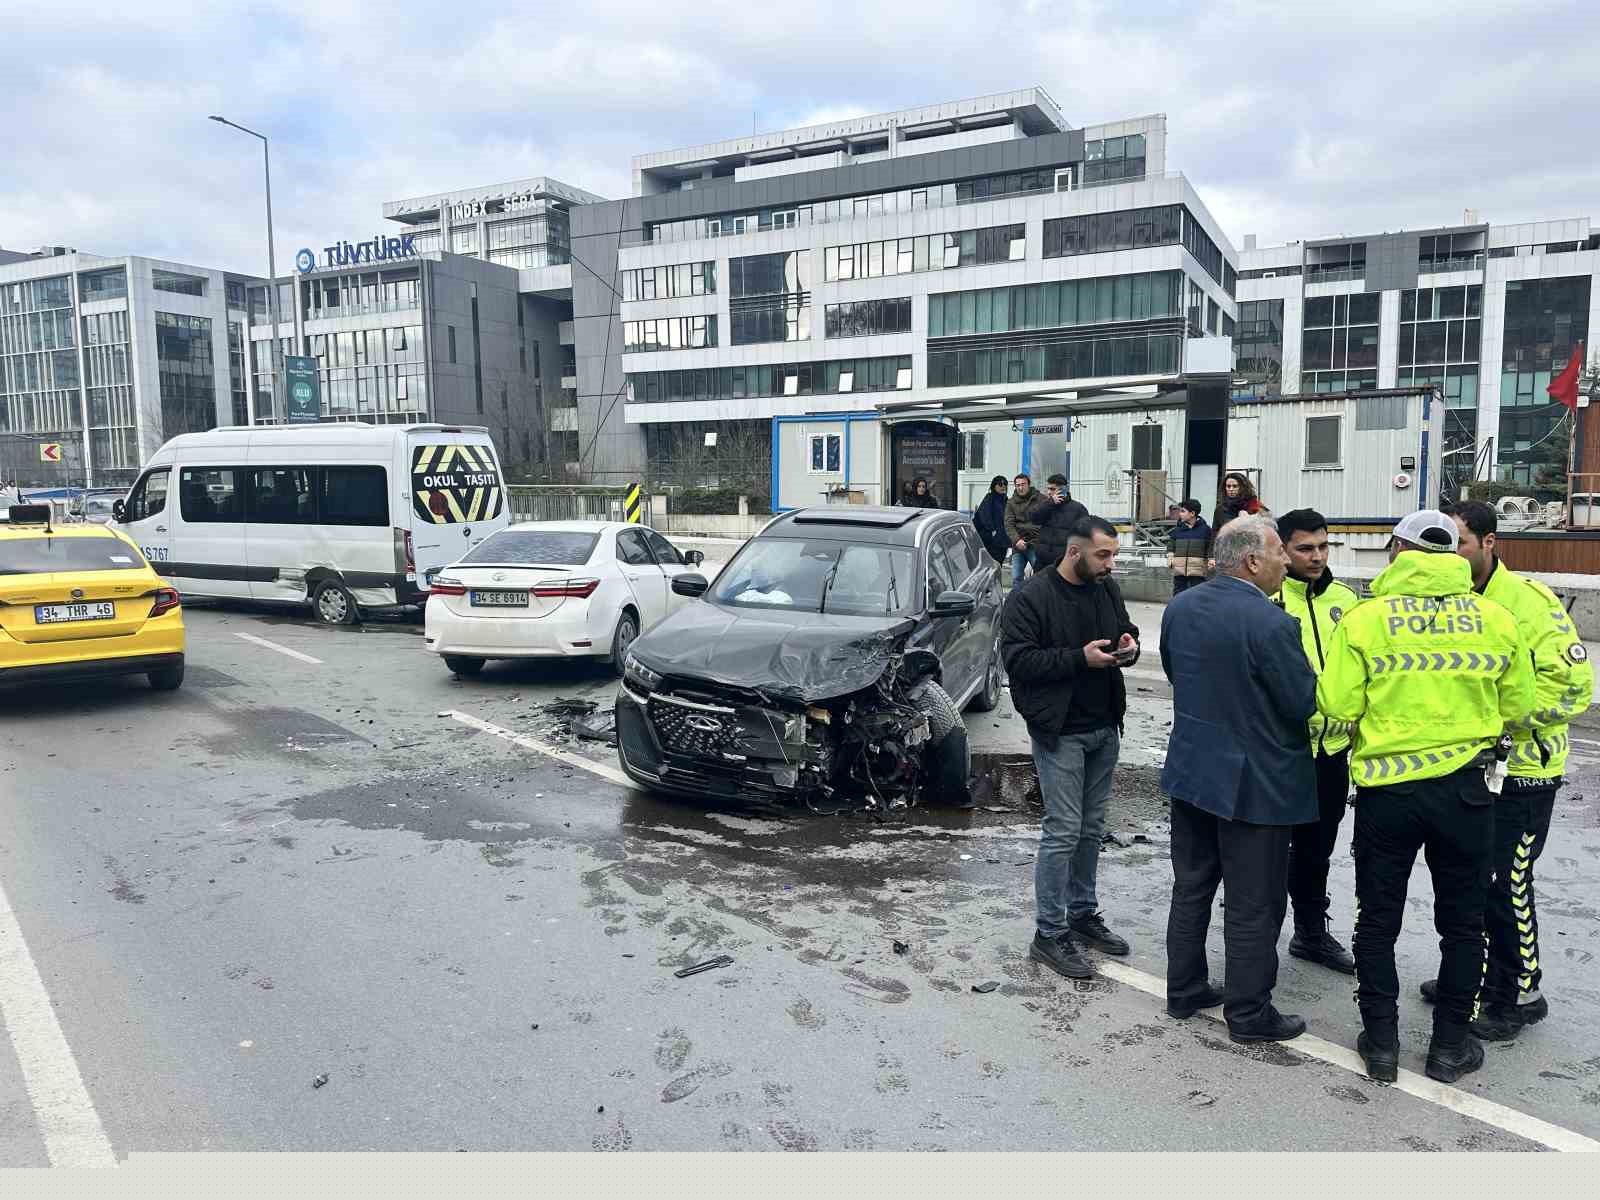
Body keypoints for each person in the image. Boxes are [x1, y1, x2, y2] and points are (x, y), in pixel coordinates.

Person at [1318, 509, 1534, 1084]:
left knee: (1377, 921)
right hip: (1466, 792)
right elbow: (1519, 706)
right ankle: (1449, 1048)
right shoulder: (1496, 619)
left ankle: (1382, 1042)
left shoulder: (1366, 620)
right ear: (1453, 556)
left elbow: (1337, 707)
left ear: (1397, 552)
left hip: (1388, 795)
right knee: (1464, 924)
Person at [1416, 501, 1593, 1042]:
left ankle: (1516, 996)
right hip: (1472, 767)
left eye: (1461, 543)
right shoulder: (1450, 601)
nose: (1450, 554)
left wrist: (1496, 718)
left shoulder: (1529, 604)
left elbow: (1573, 689)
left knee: (1505, 881)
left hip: (1524, 769)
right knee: (1472, 877)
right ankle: (1486, 975)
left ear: (1490, 543)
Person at [1159, 515, 1317, 1044]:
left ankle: (1184, 990)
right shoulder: (1270, 623)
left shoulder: (1180, 607)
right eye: (1279, 553)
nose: (1286, 562)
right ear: (1252, 561)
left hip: (1193, 771)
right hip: (1256, 783)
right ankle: (1249, 1014)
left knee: (1193, 888)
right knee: (1254, 903)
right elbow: (1300, 703)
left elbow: (1176, 673)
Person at [1001, 516, 1140, 980]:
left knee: (1090, 828)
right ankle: (1048, 933)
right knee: (1062, 829)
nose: (1110, 564)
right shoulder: (1030, 597)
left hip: (1104, 726)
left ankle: (1082, 914)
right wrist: (1079, 658)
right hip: (1060, 731)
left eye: (1114, 555)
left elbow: (1126, 627)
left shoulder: (1105, 589)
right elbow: (1018, 661)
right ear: (1075, 552)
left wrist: (1129, 644)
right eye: (1104, 555)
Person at [1269, 509, 1361, 975]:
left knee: (1316, 848)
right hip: (1283, 750)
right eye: (1305, 548)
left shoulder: (1346, 599)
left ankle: (1310, 932)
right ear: (1282, 549)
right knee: (1268, 850)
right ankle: (1259, 936)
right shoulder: (1268, 598)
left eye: (1324, 546)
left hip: (1332, 751)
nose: (1317, 556)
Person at [1031, 473, 1090, 571]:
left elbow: (1084, 535)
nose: (1049, 492)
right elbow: (1034, 518)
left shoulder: (1078, 509)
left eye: (1053, 489)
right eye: (1048, 489)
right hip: (1042, 562)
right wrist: (1049, 504)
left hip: (1064, 562)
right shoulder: (1046, 505)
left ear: (1063, 490)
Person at [1004, 473, 1045, 586]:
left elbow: (1048, 518)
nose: (1021, 488)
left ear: (1029, 484)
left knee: (1040, 576)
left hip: (1036, 544)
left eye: (1023, 484)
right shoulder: (1011, 502)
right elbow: (1008, 524)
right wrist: (1017, 540)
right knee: (1016, 577)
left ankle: (1038, 600)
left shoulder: (1040, 499)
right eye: (1018, 485)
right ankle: (1017, 602)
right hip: (1018, 544)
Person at [1166, 499, 1211, 596]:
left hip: (1198, 572)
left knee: (1197, 596)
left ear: (1192, 513)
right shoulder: (1178, 530)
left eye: (1183, 511)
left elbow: (1210, 547)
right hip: (1179, 571)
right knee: (1178, 596)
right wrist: (1170, 556)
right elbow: (1171, 544)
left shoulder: (1205, 530)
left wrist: (1210, 560)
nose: (1180, 514)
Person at [972, 475, 1011, 564]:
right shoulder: (990, 498)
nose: (1003, 486)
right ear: (994, 486)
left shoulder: (1005, 500)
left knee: (999, 563)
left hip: (1002, 541)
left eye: (1005, 484)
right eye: (1000, 484)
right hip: (991, 540)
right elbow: (984, 515)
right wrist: (992, 530)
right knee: (991, 564)